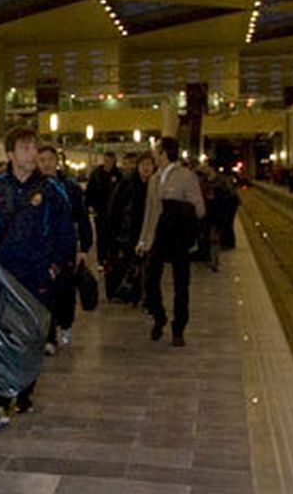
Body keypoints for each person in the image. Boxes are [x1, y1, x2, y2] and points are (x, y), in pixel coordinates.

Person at [0, 126, 74, 426]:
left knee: (32, 336)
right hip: (2, 277)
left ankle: (24, 392)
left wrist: (54, 266)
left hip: (37, 276)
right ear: (10, 154)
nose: (33, 153)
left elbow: (66, 233)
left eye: (34, 147)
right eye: (26, 148)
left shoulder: (51, 191)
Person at [136, 137, 205, 347]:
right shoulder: (155, 179)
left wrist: (180, 210)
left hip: (178, 238)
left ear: (164, 153)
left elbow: (200, 208)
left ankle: (178, 328)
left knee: (181, 285)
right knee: (150, 281)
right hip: (157, 237)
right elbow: (149, 212)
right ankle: (159, 316)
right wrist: (143, 240)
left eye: (157, 150)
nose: (154, 154)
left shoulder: (186, 177)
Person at [36, 145, 92, 352]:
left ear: (57, 161)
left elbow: (82, 219)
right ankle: (49, 337)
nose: (46, 164)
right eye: (41, 160)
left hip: (66, 249)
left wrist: (84, 248)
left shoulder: (70, 188)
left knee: (65, 292)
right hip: (42, 250)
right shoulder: (33, 188)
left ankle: (66, 324)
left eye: (49, 159)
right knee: (45, 294)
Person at [104, 151, 154, 301]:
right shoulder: (126, 184)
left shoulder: (155, 185)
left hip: (146, 231)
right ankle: (125, 292)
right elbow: (114, 210)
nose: (146, 168)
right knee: (126, 262)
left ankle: (139, 293)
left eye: (150, 165)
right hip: (127, 232)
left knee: (144, 264)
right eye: (143, 164)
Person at [84, 151, 123, 268]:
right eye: (106, 161)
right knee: (101, 236)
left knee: (113, 236)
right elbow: (89, 191)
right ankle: (101, 260)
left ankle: (112, 259)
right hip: (100, 211)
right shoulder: (96, 174)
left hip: (115, 212)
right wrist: (90, 206)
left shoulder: (119, 175)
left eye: (111, 161)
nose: (108, 163)